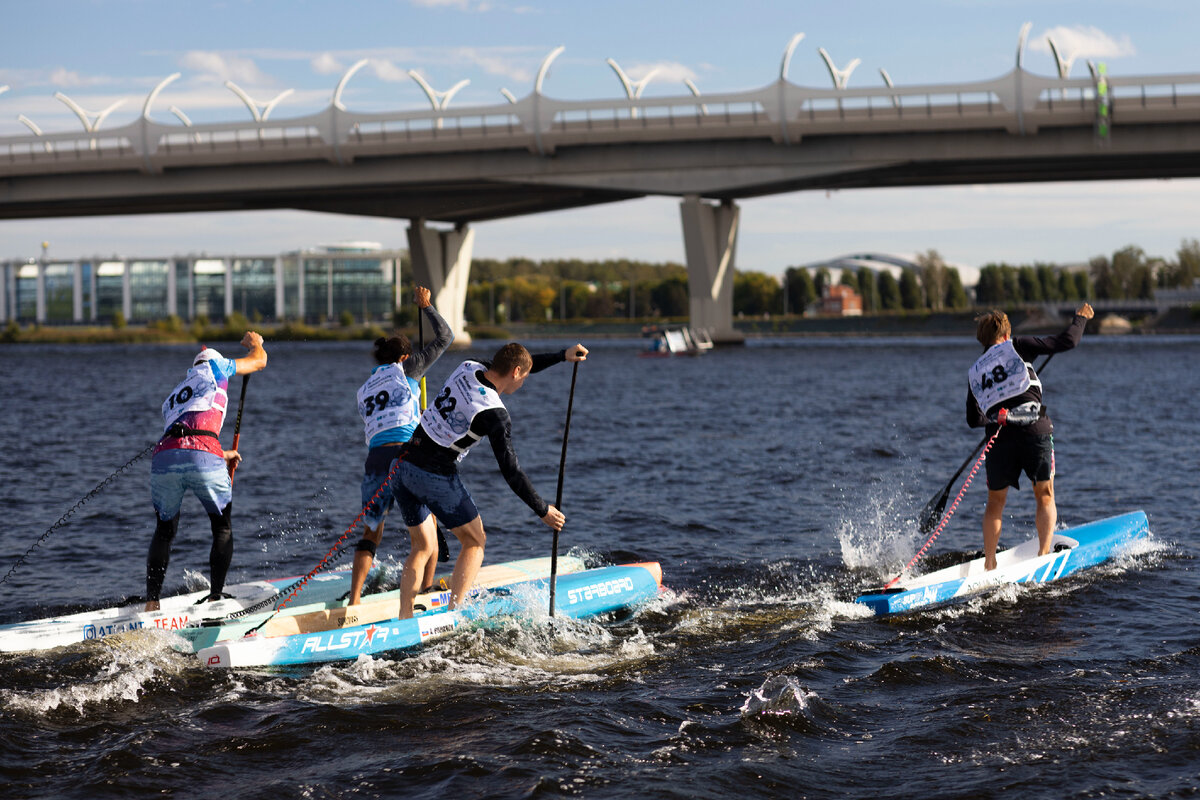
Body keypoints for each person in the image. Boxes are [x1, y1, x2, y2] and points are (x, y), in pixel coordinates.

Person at [389, 342, 588, 618]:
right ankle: (453, 616)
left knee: (422, 546)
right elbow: (511, 470)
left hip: (401, 465)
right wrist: (543, 509)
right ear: (516, 372)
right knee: (475, 541)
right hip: (432, 473)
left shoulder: (469, 365)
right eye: (524, 376)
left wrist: (561, 357)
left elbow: (516, 364)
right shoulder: (495, 413)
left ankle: (404, 618)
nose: (525, 381)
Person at [966, 303, 1094, 571]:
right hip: (1033, 431)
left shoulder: (975, 370)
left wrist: (997, 416)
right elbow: (1068, 341)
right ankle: (1044, 555)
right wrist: (1080, 318)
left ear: (983, 339)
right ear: (1005, 335)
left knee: (995, 502)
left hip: (998, 439)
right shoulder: (1017, 345)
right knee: (1044, 494)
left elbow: (973, 419)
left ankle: (990, 564)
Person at [146, 332, 268, 611]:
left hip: (164, 456)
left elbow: (184, 435)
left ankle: (152, 602)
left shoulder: (172, 396)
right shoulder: (217, 366)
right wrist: (255, 344)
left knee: (164, 530)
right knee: (221, 526)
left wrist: (222, 454)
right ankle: (215, 598)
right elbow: (259, 361)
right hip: (202, 454)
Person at [347, 286, 453, 606]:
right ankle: (425, 588)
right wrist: (427, 308)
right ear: (405, 357)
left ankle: (354, 601)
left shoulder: (365, 387)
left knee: (372, 533)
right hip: (406, 458)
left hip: (375, 460)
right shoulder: (407, 368)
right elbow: (445, 337)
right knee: (428, 526)